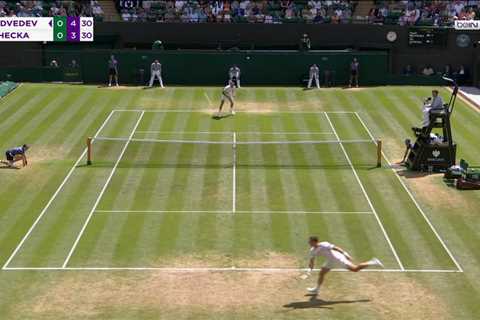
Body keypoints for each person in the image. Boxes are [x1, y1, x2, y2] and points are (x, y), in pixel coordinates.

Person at [305, 236, 384, 294]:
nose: (309, 243)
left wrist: (345, 254)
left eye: (310, 242)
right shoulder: (312, 250)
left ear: (315, 241)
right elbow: (312, 261)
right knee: (321, 273)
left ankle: (373, 262)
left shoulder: (324, 244)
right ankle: (317, 289)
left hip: (338, 259)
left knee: (355, 269)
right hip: (330, 261)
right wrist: (309, 270)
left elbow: (336, 248)